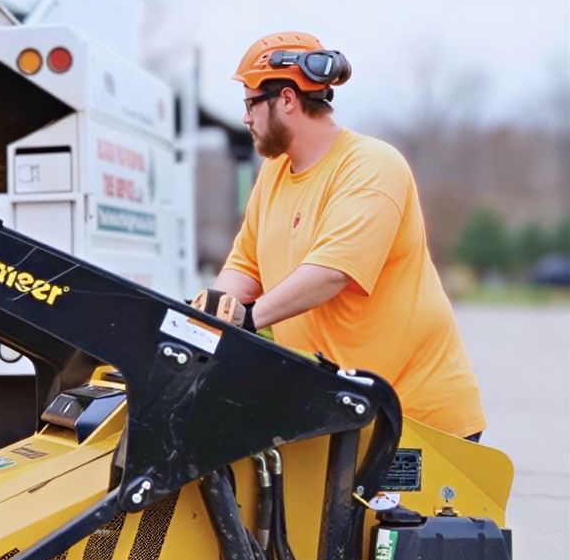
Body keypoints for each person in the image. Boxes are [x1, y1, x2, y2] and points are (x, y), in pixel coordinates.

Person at [200, 31, 486, 440]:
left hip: (414, 418)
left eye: (250, 103)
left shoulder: (371, 166)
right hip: (337, 411)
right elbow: (246, 265)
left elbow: (334, 270)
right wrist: (211, 313)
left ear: (286, 100)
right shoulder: (274, 173)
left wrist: (248, 319)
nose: (245, 117)